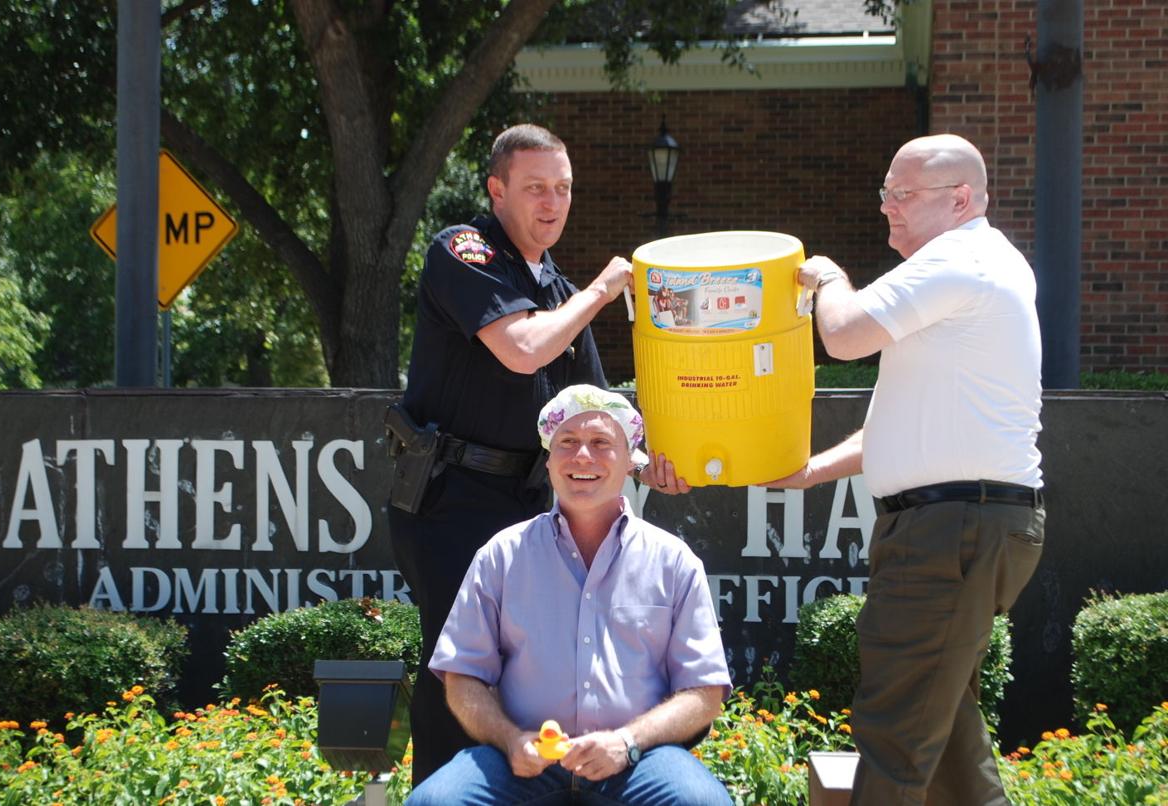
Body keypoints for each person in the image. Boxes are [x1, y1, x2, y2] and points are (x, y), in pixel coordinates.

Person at [387, 124, 689, 785]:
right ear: (496, 191)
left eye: (563, 189)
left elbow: (605, 415)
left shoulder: (552, 282)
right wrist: (603, 293)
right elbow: (524, 348)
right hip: (453, 500)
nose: (551, 203)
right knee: (461, 669)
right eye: (534, 189)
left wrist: (655, 461)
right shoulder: (462, 251)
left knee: (527, 675)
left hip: (529, 500)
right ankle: (446, 797)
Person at [762, 133, 1045, 805]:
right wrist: (812, 470)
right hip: (966, 522)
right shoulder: (980, 263)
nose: (887, 207)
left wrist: (829, 278)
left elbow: (844, 335)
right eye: (885, 192)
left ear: (961, 199)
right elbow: (917, 425)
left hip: (949, 529)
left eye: (903, 194)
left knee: (893, 738)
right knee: (945, 740)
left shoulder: (958, 258)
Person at [406, 385, 732, 806]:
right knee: (434, 802)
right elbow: (462, 677)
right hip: (521, 764)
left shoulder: (673, 561)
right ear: (548, 461)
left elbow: (704, 693)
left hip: (638, 761)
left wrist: (626, 742)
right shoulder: (502, 555)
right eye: (568, 443)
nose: (582, 456)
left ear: (631, 462)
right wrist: (510, 740)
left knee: (702, 803)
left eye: (601, 443)